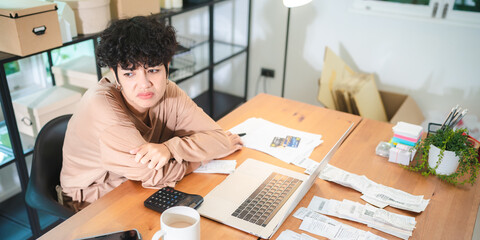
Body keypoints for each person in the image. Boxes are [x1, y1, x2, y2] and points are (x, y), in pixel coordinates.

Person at [59, 16, 243, 212]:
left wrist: (170, 149)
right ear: (115, 74)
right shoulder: (102, 106)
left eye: (153, 70)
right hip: (92, 199)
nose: (144, 84)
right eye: (130, 74)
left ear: (167, 68)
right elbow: (153, 173)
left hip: (133, 182)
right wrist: (200, 159)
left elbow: (220, 140)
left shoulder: (168, 92)